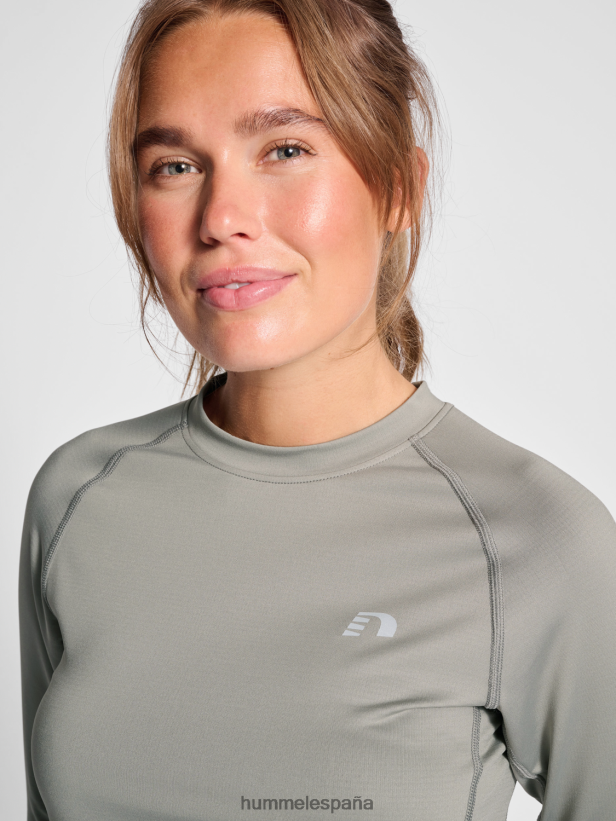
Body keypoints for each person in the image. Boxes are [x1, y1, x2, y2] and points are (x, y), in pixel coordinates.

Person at [17, 0, 616, 819]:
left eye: (286, 150)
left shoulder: (537, 540)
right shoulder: (77, 499)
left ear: (399, 186)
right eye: (176, 166)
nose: (221, 219)